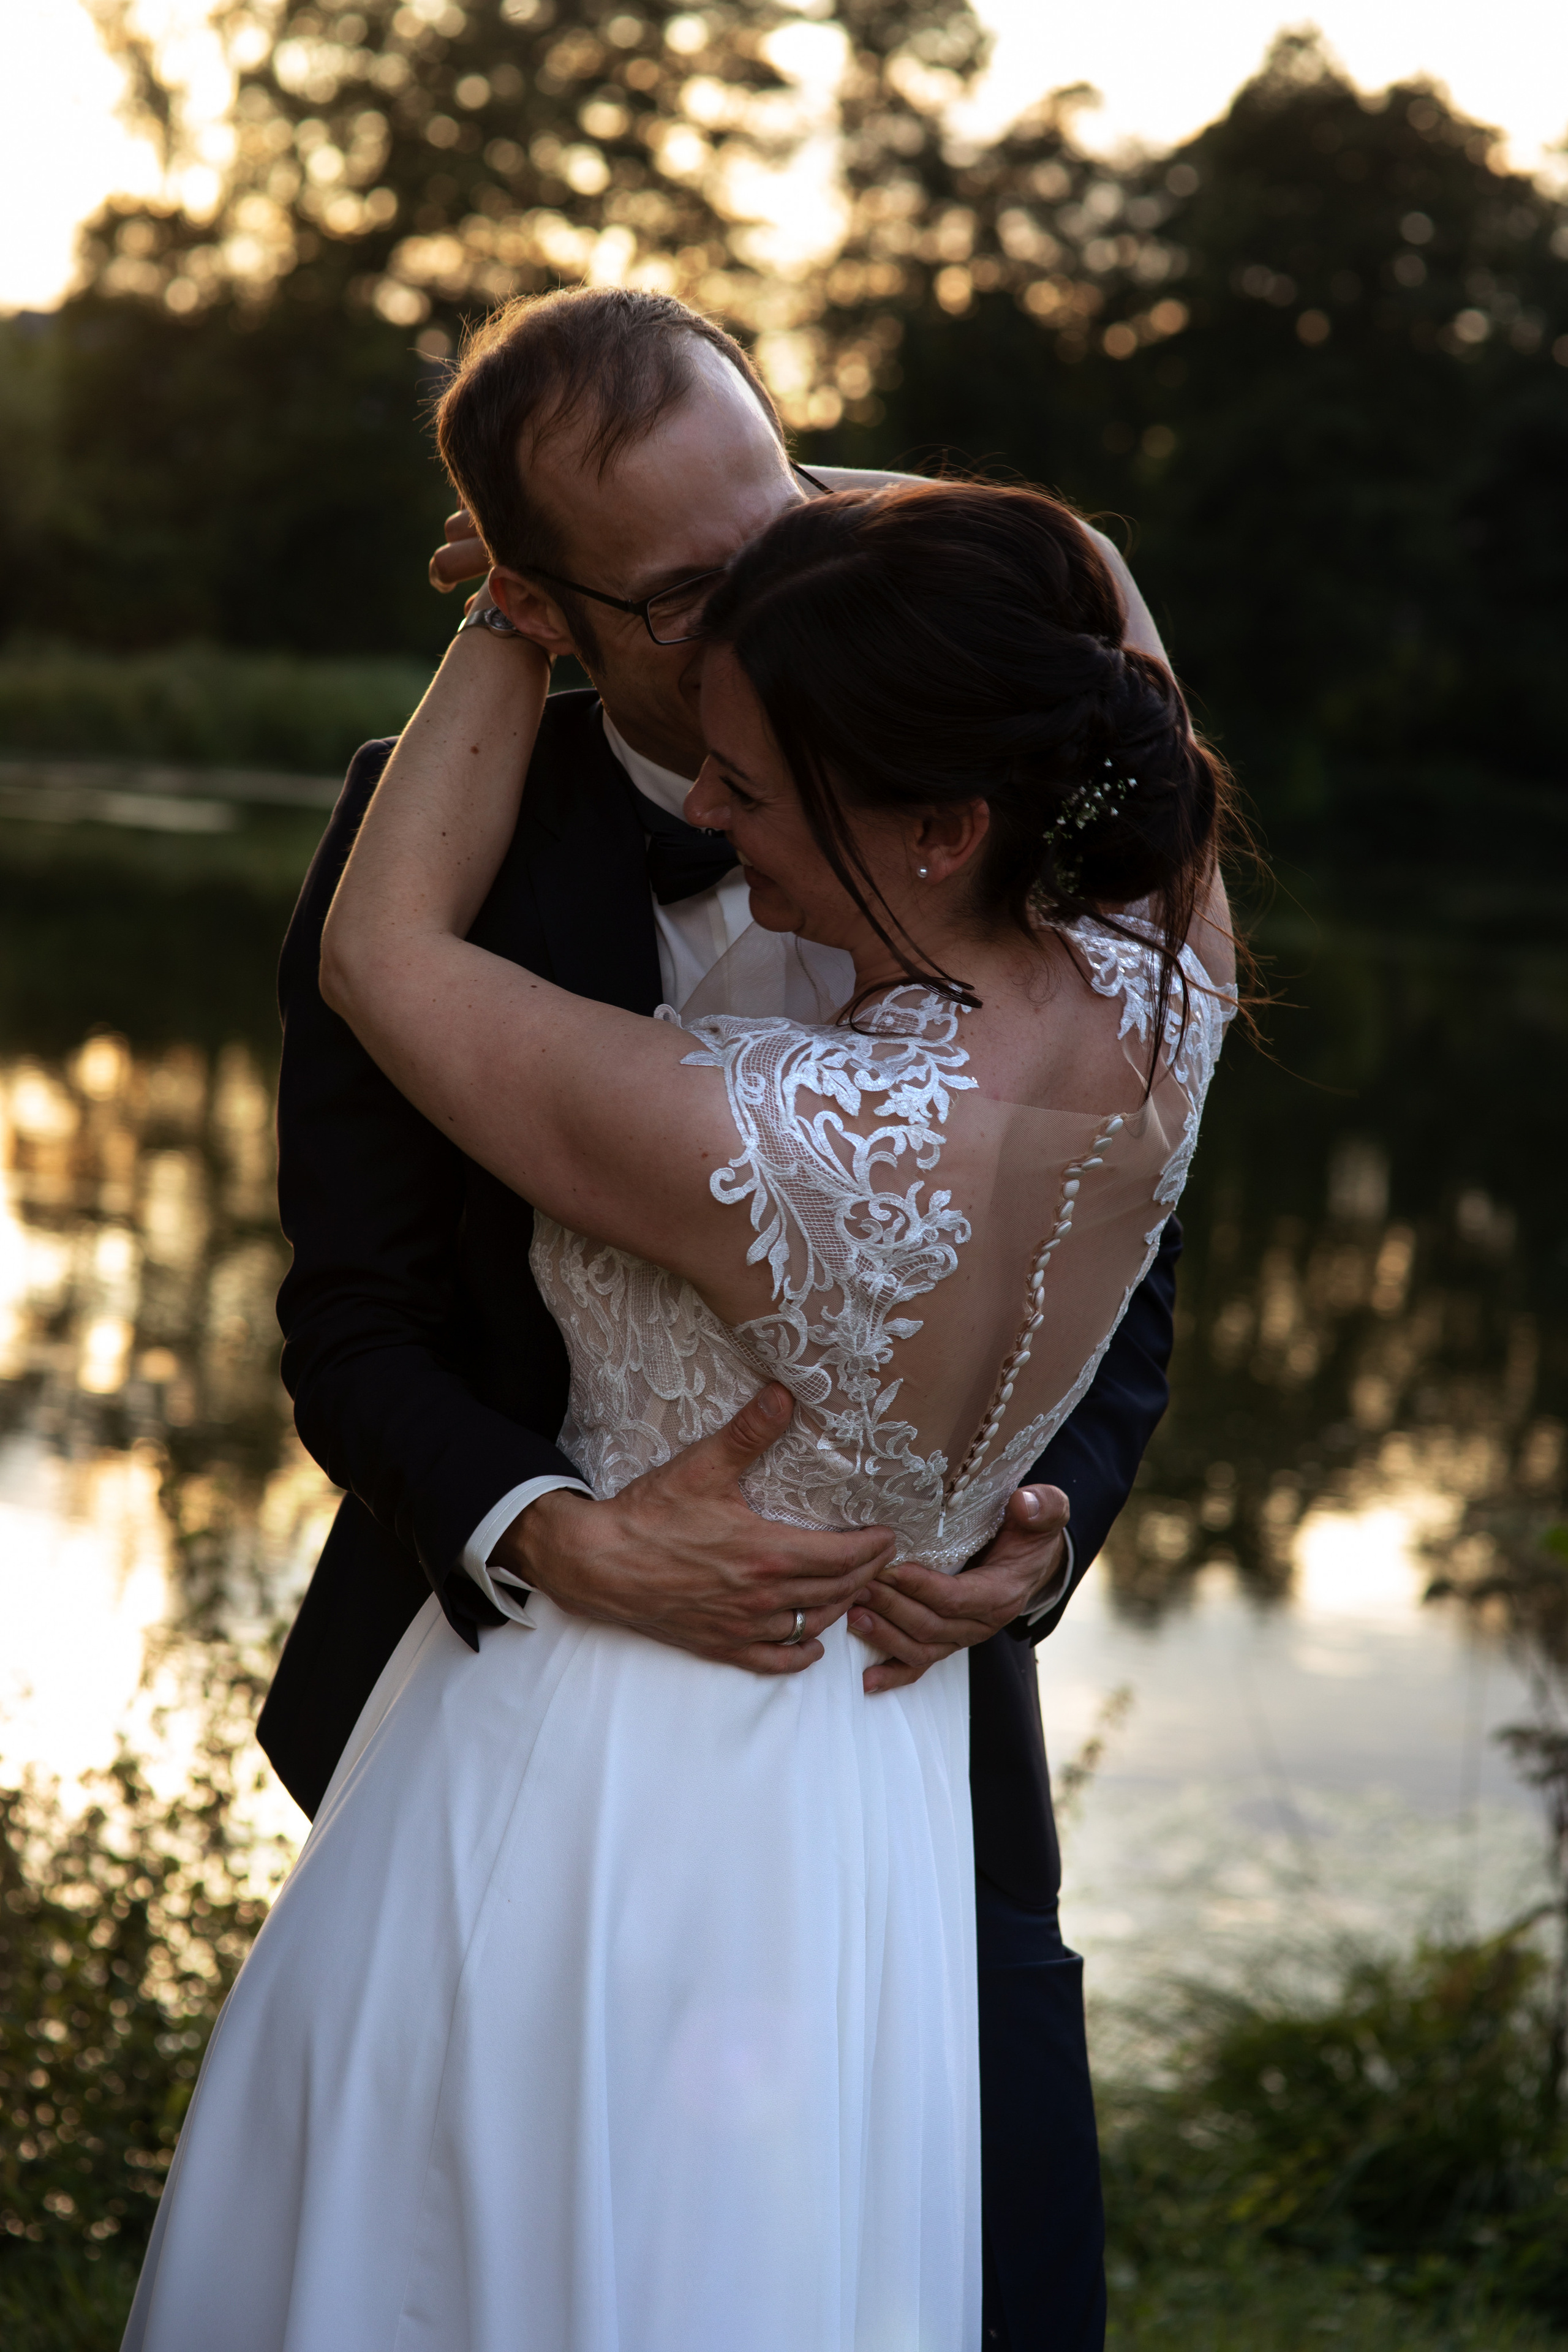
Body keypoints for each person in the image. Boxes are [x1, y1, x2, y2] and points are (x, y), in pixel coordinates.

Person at [248, 290, 1197, 2348]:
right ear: (532, 599)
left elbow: (1122, 1293)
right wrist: (547, 1528)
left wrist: (1036, 1527)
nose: (766, 595)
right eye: (689, 589)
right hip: (539, 1724)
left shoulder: (1010, 777)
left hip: (907, 1725)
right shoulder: (429, 829)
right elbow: (355, 1315)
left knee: (971, 2274)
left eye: (781, 515)